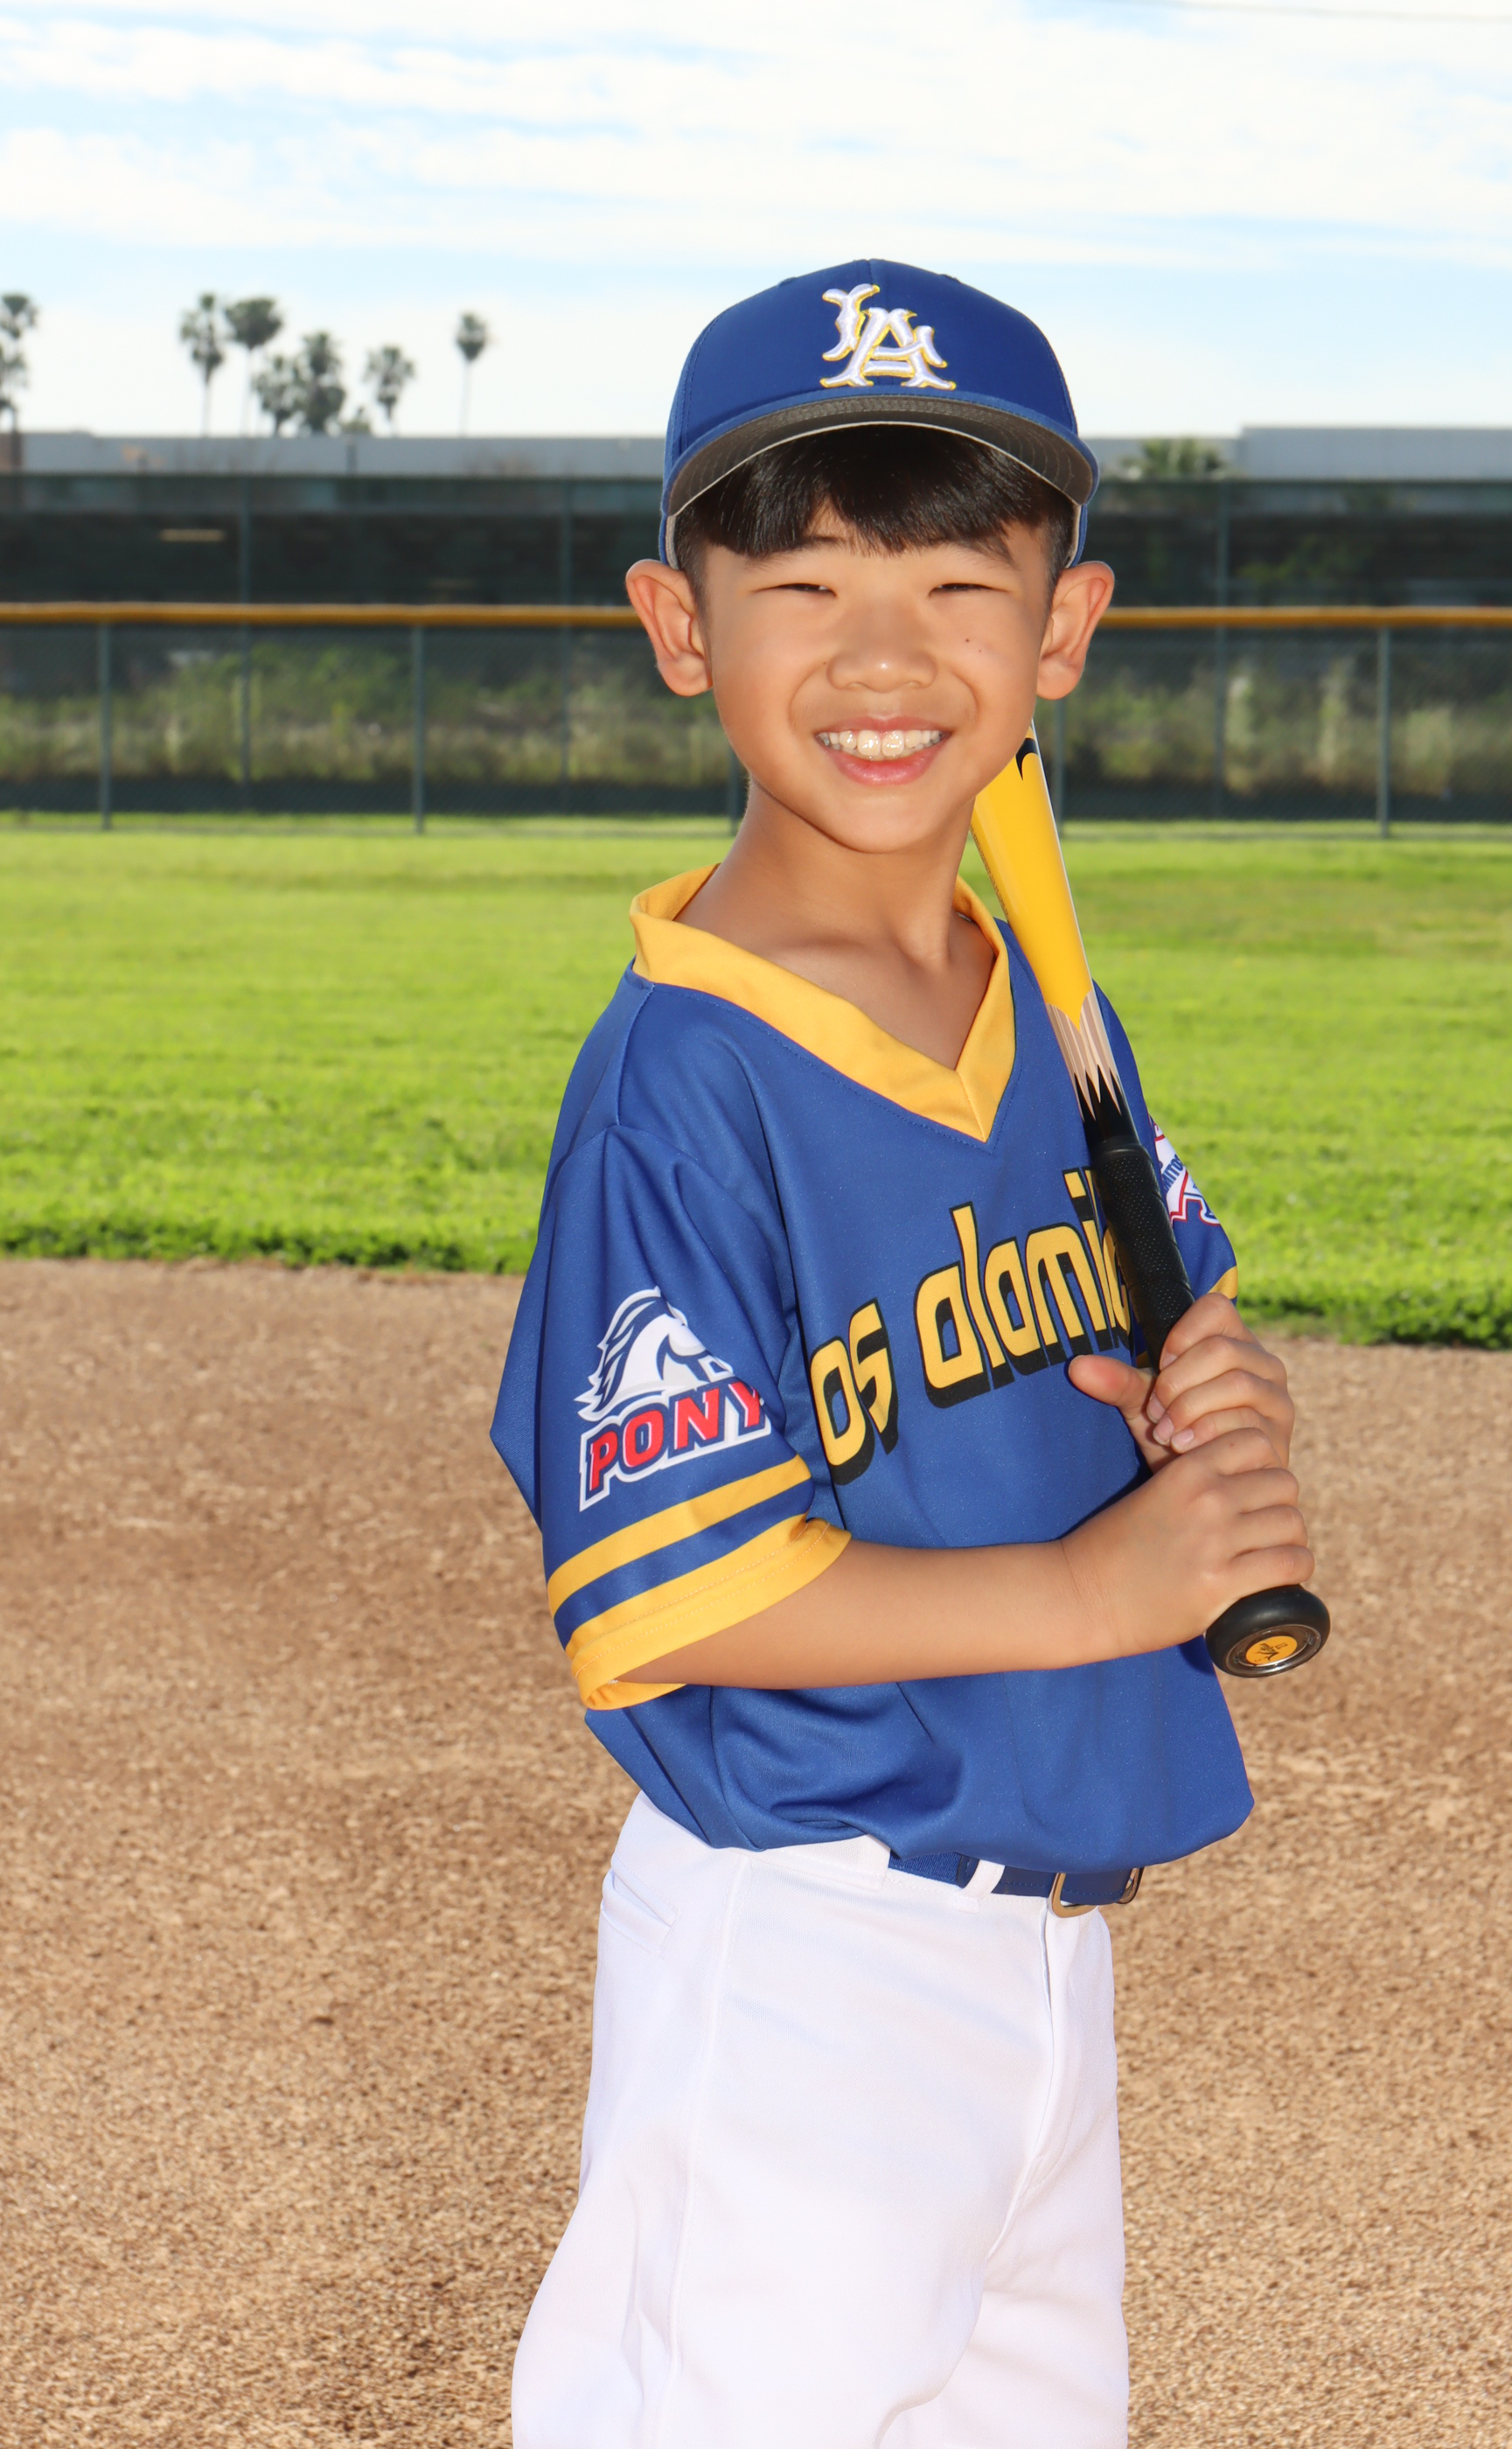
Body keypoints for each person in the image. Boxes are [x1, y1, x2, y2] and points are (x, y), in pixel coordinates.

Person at [491, 258, 1312, 2449]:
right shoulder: (681, 1083)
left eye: (959, 584)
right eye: (804, 585)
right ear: (679, 626)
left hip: (1047, 1957)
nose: (881, 656)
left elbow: (1163, 1300)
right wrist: (1102, 1586)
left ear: (1063, 629)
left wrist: (1210, 1397)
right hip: (805, 1957)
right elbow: (687, 1592)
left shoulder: (1038, 993)